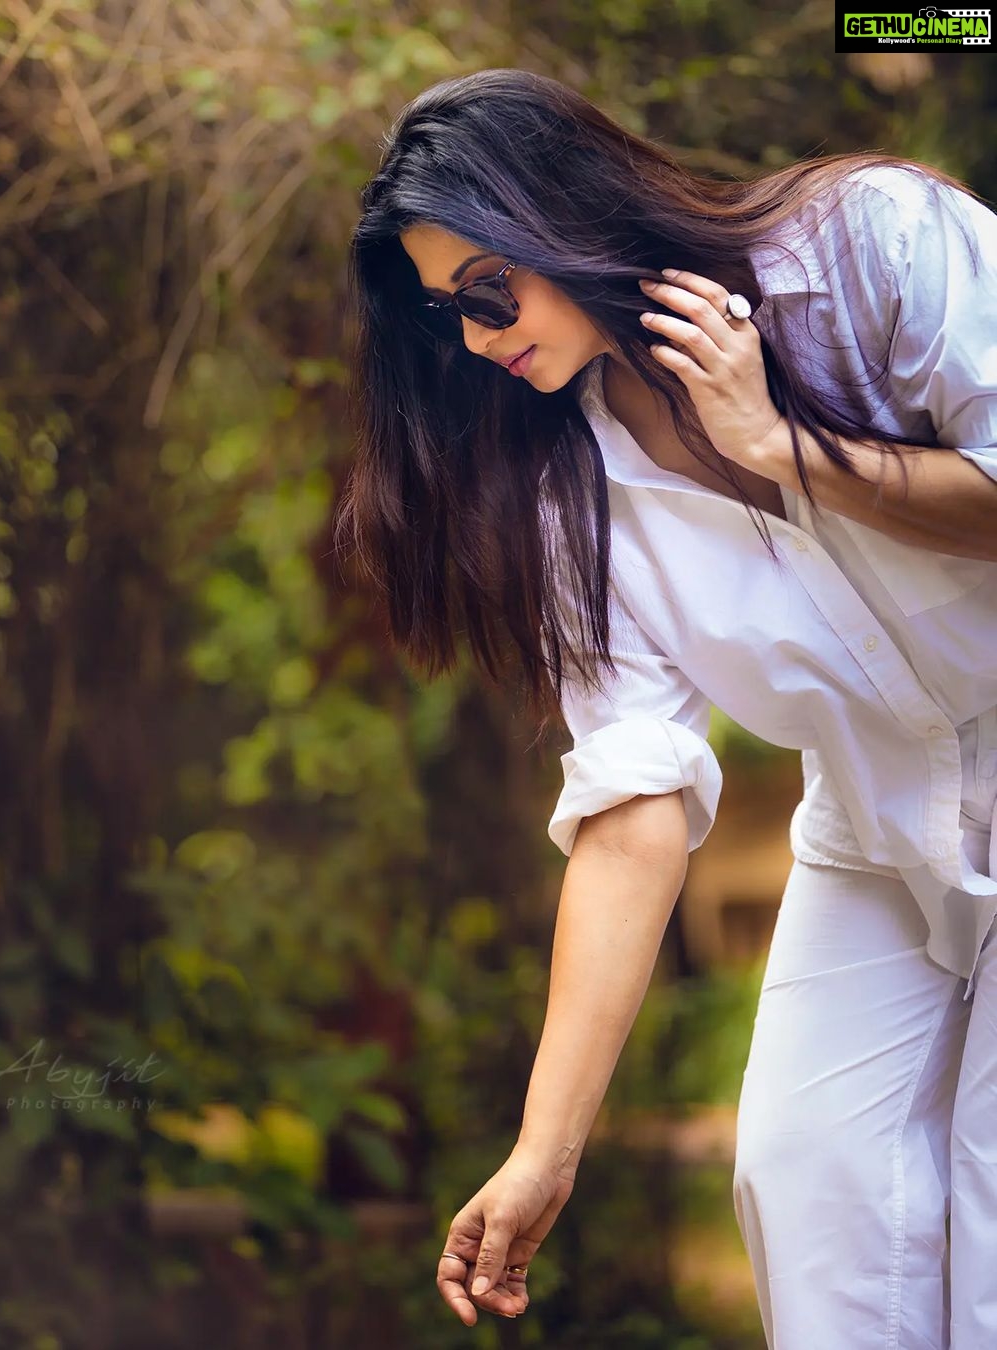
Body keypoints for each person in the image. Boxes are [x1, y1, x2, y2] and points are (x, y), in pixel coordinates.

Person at [336, 66, 997, 1347]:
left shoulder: (867, 249)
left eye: (488, 293)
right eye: (446, 316)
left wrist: (781, 449)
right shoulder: (567, 491)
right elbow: (634, 808)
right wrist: (544, 1152)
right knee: (805, 1189)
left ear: (556, 216)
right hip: (871, 821)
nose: (477, 340)